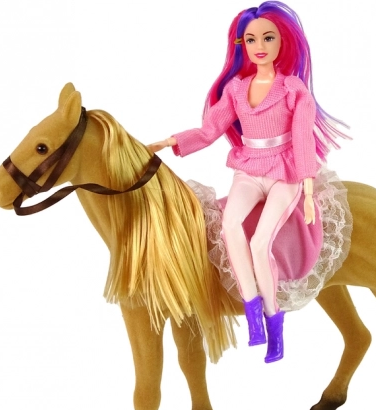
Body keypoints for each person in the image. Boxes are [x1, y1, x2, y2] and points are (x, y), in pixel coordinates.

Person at [148, 1, 348, 363]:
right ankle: (252, 312)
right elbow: (209, 130)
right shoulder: (237, 90)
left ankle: (275, 323)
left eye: (268, 38)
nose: (259, 46)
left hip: (285, 171)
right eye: (251, 39)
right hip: (249, 169)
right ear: (242, 45)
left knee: (260, 243)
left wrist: (307, 188)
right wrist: (171, 141)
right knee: (229, 227)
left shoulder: (293, 90)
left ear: (281, 42)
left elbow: (302, 140)